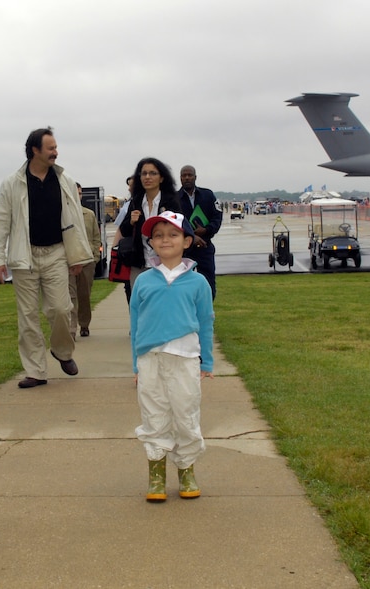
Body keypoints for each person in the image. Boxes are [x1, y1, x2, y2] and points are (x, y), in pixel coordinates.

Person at [0, 128, 93, 388]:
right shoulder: (13, 183)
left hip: (57, 253)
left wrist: (78, 255)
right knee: (27, 317)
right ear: (35, 150)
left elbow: (76, 220)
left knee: (60, 309)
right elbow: (0, 222)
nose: (55, 152)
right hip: (24, 257)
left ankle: (62, 351)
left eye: (56, 148)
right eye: (50, 148)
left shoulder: (64, 180)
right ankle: (36, 371)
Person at [129, 210, 214, 502]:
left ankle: (186, 468)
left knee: (185, 413)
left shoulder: (197, 283)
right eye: (158, 235)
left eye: (173, 234)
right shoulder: (144, 281)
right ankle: (156, 475)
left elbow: (205, 321)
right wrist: (135, 363)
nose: (165, 240)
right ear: (151, 242)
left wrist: (208, 359)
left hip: (185, 358)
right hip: (150, 358)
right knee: (154, 414)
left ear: (187, 241)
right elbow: (135, 323)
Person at [117, 157, 181, 288]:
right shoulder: (136, 201)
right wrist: (131, 221)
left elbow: (180, 229)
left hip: (165, 262)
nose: (147, 177)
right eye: (144, 173)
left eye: (153, 173)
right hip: (140, 262)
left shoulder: (170, 201)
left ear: (162, 178)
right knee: (140, 301)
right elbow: (124, 231)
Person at [178, 165, 222, 299]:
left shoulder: (208, 195)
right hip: (184, 250)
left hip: (205, 246)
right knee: (183, 285)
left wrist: (206, 230)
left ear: (195, 177)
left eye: (189, 175)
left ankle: (206, 313)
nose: (187, 178)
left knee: (208, 284)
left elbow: (217, 217)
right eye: (184, 175)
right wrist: (191, 236)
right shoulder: (174, 199)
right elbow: (173, 224)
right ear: (180, 178)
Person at [69, 182, 101, 338]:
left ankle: (84, 324)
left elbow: (96, 237)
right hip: (68, 261)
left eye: (80, 193)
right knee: (70, 296)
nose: (78, 196)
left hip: (87, 261)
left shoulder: (89, 214)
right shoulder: (63, 214)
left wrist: (95, 257)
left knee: (84, 295)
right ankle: (71, 329)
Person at [112, 176, 133, 305]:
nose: (129, 188)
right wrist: (114, 248)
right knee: (129, 285)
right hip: (128, 250)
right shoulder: (128, 204)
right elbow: (121, 228)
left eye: (132, 185)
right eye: (129, 185)